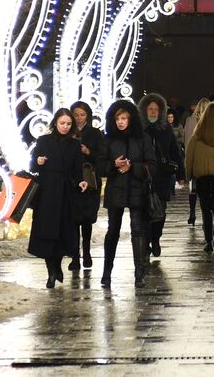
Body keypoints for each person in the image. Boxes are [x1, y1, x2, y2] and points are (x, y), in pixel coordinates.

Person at [29, 108, 89, 287]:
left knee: (64, 231)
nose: (65, 126)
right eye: (62, 123)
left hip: (66, 192)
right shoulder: (43, 140)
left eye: (69, 124)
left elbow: (77, 169)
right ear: (55, 122)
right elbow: (33, 163)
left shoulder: (74, 144)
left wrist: (81, 182)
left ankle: (58, 266)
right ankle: (51, 272)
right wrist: (38, 161)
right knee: (46, 230)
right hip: (47, 192)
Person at [97, 99, 154, 288]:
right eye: (117, 118)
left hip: (138, 189)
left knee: (137, 230)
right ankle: (106, 272)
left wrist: (133, 167)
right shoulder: (108, 140)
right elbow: (99, 166)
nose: (120, 122)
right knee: (112, 230)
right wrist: (113, 165)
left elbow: (152, 165)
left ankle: (139, 272)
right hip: (116, 190)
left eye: (123, 118)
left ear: (131, 119)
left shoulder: (143, 138)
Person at [183, 100, 214, 252]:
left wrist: (188, 175)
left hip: (202, 177)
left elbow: (189, 157)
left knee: (205, 209)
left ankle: (208, 241)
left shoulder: (197, 136)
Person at [138, 92, 181, 259]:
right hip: (142, 177)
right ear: (144, 110)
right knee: (144, 213)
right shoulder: (138, 129)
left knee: (160, 213)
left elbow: (174, 152)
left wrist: (180, 174)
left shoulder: (165, 128)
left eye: (156, 109)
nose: (153, 112)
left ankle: (155, 238)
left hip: (162, 177)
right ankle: (146, 242)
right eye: (150, 109)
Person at [68, 100, 104, 271]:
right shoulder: (68, 131)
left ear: (88, 116)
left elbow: (103, 157)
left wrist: (88, 152)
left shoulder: (96, 134)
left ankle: (87, 252)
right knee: (73, 220)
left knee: (87, 219)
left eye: (82, 115)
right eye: (76, 115)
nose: (79, 118)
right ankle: (75, 256)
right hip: (72, 181)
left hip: (90, 181)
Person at [183, 98, 208, 225]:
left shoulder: (189, 121)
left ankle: (192, 212)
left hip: (193, 158)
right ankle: (206, 215)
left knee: (193, 188)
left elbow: (186, 140)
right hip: (206, 160)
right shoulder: (210, 122)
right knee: (206, 191)